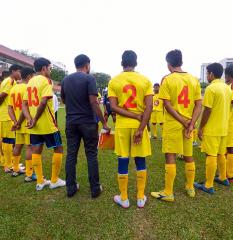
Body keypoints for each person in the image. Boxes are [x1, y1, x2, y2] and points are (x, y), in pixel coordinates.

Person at [151, 49, 202, 202]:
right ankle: (190, 187)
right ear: (181, 62)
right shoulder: (194, 79)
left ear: (168, 64)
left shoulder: (167, 79)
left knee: (170, 155)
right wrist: (191, 123)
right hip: (189, 125)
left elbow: (166, 104)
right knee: (188, 155)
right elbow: (198, 104)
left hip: (174, 123)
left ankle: (168, 192)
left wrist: (182, 121)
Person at [108, 50, 153, 208]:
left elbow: (113, 107)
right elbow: (149, 107)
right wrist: (141, 127)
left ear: (122, 62)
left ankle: (124, 198)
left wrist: (132, 117)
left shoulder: (114, 81)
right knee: (140, 160)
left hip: (122, 126)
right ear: (136, 62)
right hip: (138, 126)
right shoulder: (145, 80)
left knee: (123, 160)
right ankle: (140, 197)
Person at [61, 54, 110, 198]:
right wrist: (104, 122)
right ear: (87, 65)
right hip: (88, 122)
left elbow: (64, 99)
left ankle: (71, 188)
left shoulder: (65, 80)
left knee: (71, 154)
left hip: (71, 122)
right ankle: (95, 188)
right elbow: (94, 102)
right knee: (91, 154)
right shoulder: (89, 78)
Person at [22, 58, 65, 191]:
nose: (50, 71)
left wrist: (29, 118)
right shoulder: (46, 81)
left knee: (37, 151)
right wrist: (34, 119)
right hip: (48, 125)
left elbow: (24, 104)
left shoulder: (29, 83)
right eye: (50, 68)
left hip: (35, 127)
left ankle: (40, 181)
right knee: (58, 149)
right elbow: (43, 101)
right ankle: (54, 180)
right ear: (44, 68)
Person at [195, 63, 231, 194]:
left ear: (211, 74)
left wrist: (201, 128)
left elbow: (207, 110)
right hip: (224, 128)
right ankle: (223, 177)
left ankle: (208, 185)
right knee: (221, 154)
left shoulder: (211, 88)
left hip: (212, 129)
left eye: (207, 73)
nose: (206, 75)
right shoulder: (227, 88)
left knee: (210, 155)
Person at [8, 67, 36, 181]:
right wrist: (19, 122)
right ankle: (29, 173)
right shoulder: (28, 88)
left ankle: (15, 169)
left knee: (18, 145)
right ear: (29, 76)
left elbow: (9, 108)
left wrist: (15, 122)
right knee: (29, 147)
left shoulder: (14, 89)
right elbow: (26, 108)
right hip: (26, 123)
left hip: (18, 124)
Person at [0, 65, 22, 173]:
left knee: (6, 140)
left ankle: (7, 162)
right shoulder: (9, 81)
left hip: (4, 115)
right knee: (8, 140)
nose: (20, 74)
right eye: (19, 71)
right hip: (6, 116)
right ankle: (8, 165)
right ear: (13, 71)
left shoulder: (7, 80)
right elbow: (2, 95)